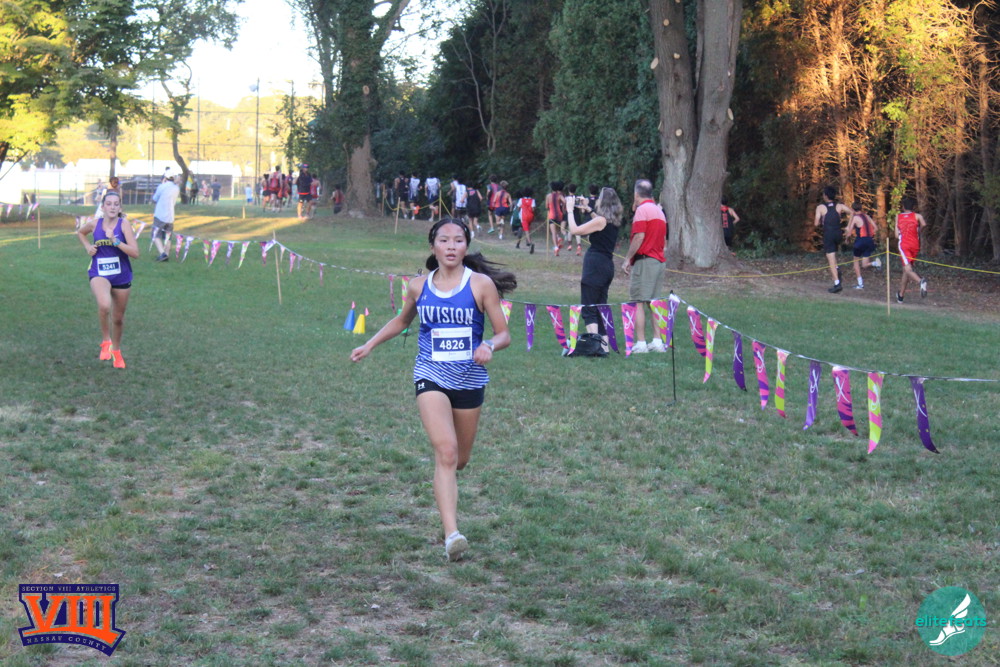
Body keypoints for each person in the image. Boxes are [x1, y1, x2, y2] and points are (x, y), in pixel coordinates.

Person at [350, 218, 516, 561]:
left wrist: (488, 345)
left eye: (458, 240)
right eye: (444, 240)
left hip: (469, 379)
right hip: (431, 375)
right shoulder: (418, 286)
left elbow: (504, 333)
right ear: (433, 246)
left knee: (460, 460)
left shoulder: (480, 284)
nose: (451, 246)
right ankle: (452, 535)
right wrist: (369, 344)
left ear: (466, 247)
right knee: (447, 453)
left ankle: (447, 494)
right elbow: (402, 321)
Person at [76, 192, 139, 369]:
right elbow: (80, 232)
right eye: (109, 204)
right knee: (104, 305)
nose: (112, 207)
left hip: (121, 274)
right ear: (102, 207)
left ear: (120, 207)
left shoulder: (124, 224)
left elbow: (135, 253)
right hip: (99, 271)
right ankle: (106, 341)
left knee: (118, 319)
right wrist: (88, 246)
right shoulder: (94, 224)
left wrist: (115, 241)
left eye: (116, 204)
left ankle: (116, 351)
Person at [568, 187, 623, 355]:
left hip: (595, 266)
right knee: (600, 307)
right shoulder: (612, 221)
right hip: (606, 266)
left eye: (599, 198)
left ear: (603, 202)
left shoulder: (600, 221)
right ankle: (604, 347)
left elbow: (575, 230)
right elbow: (599, 223)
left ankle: (594, 346)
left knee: (589, 307)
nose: (596, 200)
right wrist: (588, 209)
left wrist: (570, 211)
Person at [621, 179, 668, 353]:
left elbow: (639, 236)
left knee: (638, 301)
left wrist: (627, 259)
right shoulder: (659, 211)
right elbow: (664, 240)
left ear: (636, 194)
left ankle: (641, 343)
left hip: (645, 261)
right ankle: (657, 341)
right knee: (653, 302)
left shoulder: (642, 210)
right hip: (658, 260)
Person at [814, 186, 852, 293]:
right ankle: (837, 269)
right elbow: (852, 212)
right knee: (834, 254)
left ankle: (837, 283)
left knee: (830, 258)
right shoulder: (839, 206)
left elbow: (816, 223)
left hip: (829, 234)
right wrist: (849, 227)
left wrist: (820, 220)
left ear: (825, 196)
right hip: (838, 234)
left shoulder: (820, 207)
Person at [895, 196, 928, 303]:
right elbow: (924, 224)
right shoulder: (917, 216)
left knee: (908, 270)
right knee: (906, 270)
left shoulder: (899, 216)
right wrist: (918, 231)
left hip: (904, 245)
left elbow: (896, 235)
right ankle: (901, 296)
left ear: (903, 207)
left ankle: (921, 281)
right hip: (915, 245)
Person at [844, 201, 882, 289]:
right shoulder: (867, 216)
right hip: (869, 241)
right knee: (864, 265)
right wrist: (870, 235)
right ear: (861, 208)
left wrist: (846, 238)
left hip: (860, 241)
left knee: (855, 261)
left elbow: (849, 232)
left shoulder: (855, 218)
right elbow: (876, 228)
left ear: (853, 209)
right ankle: (876, 263)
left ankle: (860, 284)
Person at [150, 174, 181, 262]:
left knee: (155, 234)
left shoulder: (161, 186)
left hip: (160, 215)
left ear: (165, 178)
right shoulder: (176, 188)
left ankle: (162, 253)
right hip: (170, 216)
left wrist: (162, 184)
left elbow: (155, 198)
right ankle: (166, 254)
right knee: (168, 236)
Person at [545, 181, 566, 256]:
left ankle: (556, 247)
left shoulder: (548, 196)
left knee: (553, 232)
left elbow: (546, 206)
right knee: (557, 230)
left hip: (551, 215)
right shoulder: (560, 196)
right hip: (559, 215)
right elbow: (565, 201)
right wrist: (563, 208)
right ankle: (558, 238)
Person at [565, 184, 585, 256]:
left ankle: (569, 245)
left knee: (570, 230)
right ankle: (579, 245)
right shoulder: (577, 198)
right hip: (577, 215)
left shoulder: (566, 198)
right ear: (575, 190)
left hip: (570, 215)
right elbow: (580, 207)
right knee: (577, 230)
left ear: (568, 190)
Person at [514, 187, 536, 253]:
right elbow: (533, 209)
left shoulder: (521, 200)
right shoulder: (532, 200)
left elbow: (518, 208)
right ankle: (519, 243)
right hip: (530, 216)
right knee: (524, 228)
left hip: (523, 217)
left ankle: (529, 243)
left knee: (526, 230)